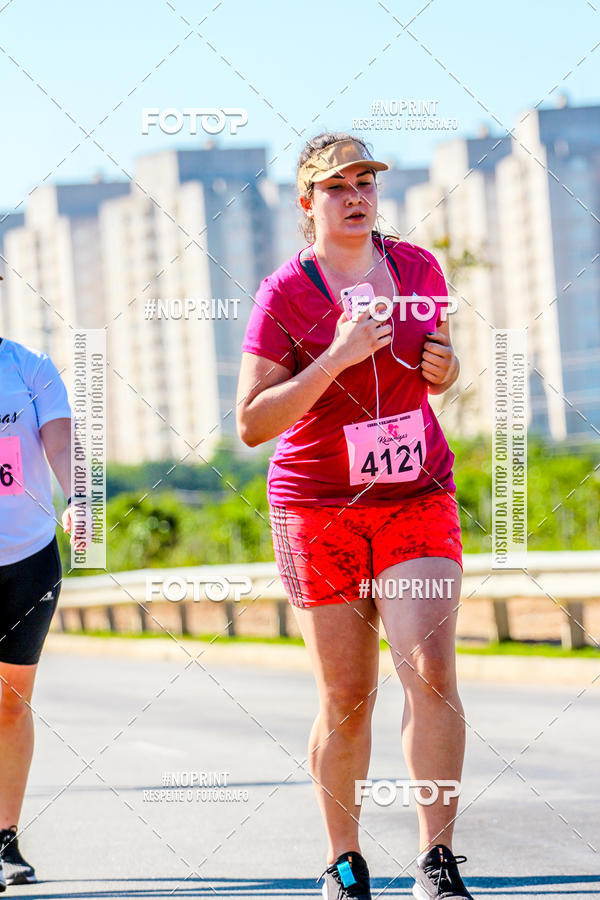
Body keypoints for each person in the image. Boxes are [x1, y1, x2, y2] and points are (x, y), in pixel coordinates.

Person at [236, 133, 474, 899]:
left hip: (415, 497)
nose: (356, 196)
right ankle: (344, 859)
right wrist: (334, 357)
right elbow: (252, 422)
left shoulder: (419, 269)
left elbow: (436, 364)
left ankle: (437, 859)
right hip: (318, 508)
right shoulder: (286, 293)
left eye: (366, 182)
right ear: (308, 203)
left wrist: (449, 368)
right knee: (347, 697)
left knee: (430, 671)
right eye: (337, 186)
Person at [0, 324, 72, 890]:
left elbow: (62, 447)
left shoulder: (30, 368)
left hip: (27, 560)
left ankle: (5, 838)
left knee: (10, 704)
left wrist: (79, 499)